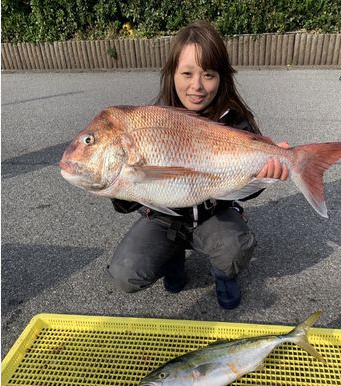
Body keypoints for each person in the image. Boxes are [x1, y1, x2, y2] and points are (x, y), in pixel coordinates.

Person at [105, 20, 288, 310]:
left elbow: (243, 190)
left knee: (234, 248)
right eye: (187, 73)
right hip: (163, 218)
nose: (197, 86)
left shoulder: (235, 120)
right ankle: (171, 256)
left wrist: (267, 177)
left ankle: (224, 275)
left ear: (222, 77)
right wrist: (116, 185)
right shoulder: (150, 120)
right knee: (126, 274)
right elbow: (126, 203)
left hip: (214, 213)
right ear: (171, 74)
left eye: (209, 75)